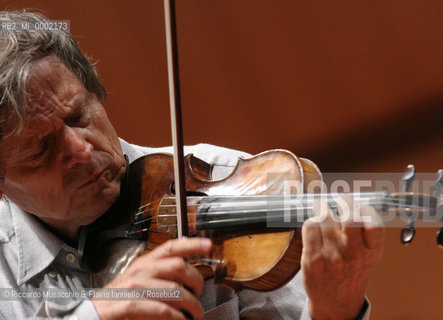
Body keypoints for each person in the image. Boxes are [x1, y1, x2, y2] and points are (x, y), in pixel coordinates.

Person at [0, 10, 384, 320]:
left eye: (79, 115)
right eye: (40, 150)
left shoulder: (223, 177)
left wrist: (333, 311)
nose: (83, 151)